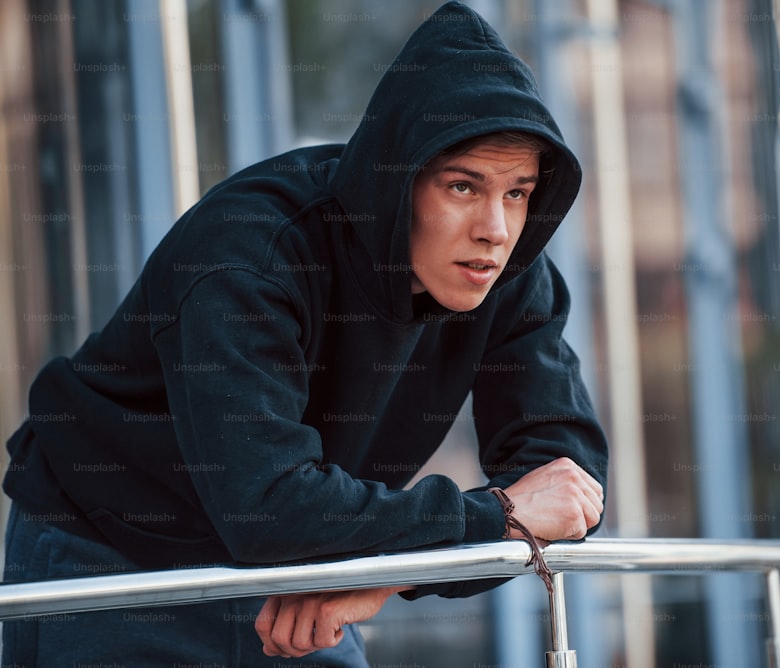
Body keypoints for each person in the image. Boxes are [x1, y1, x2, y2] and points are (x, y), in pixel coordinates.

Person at [2, 1, 608, 665]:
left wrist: (385, 574)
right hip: (116, 558)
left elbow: (565, 480)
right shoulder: (250, 253)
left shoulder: (504, 271)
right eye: (464, 187)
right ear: (399, 181)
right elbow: (268, 503)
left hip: (307, 575)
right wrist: (486, 519)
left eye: (518, 192)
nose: (495, 226)